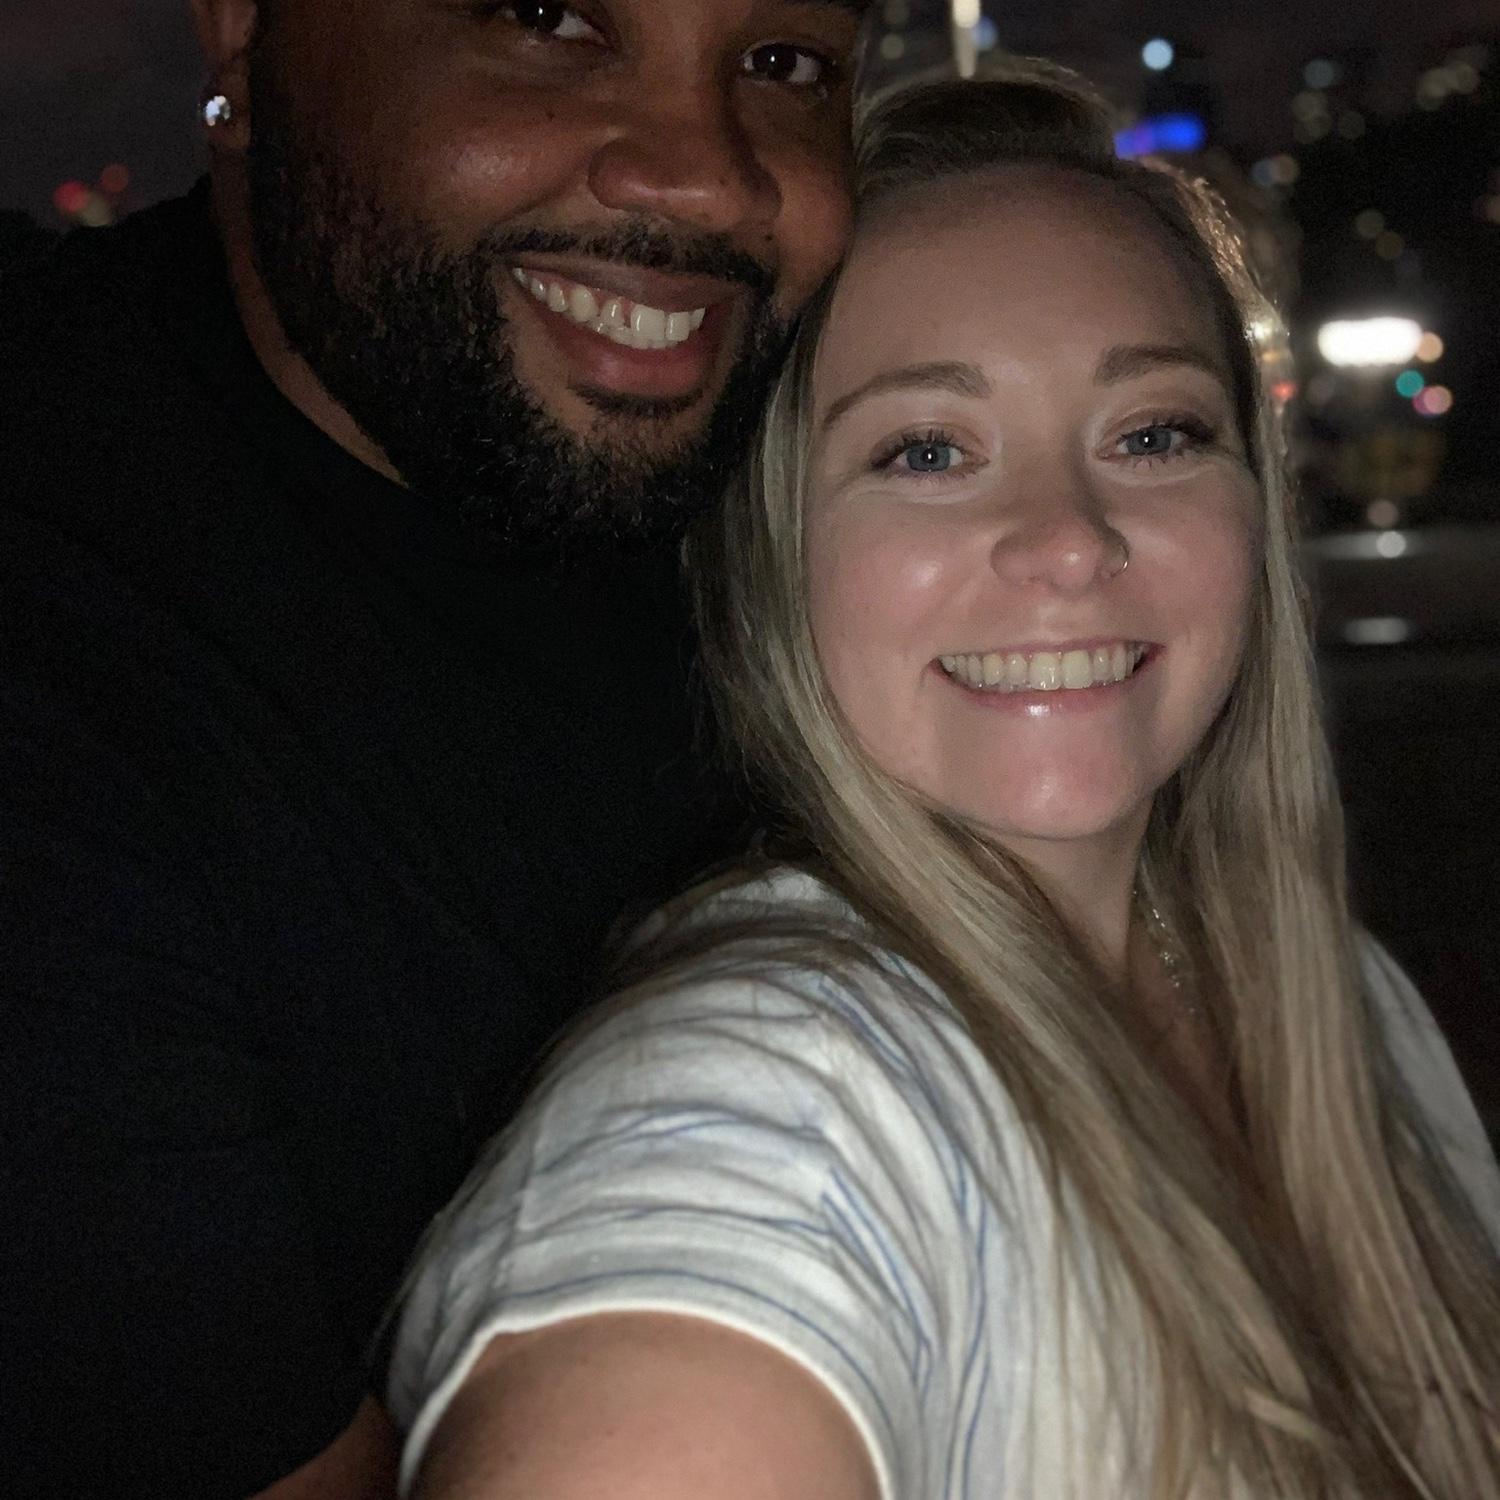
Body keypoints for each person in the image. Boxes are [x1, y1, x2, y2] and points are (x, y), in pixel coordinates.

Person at [388, 65, 1500, 1500]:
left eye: (1153, 433)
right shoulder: (783, 1115)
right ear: (773, 548)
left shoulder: (1344, 1003)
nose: (1069, 538)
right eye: (927, 449)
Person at [0, 1, 867, 1495]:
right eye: (549, 18)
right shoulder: (62, 671)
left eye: (783, 63)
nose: (709, 178)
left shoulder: (835, 498)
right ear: (243, 29)